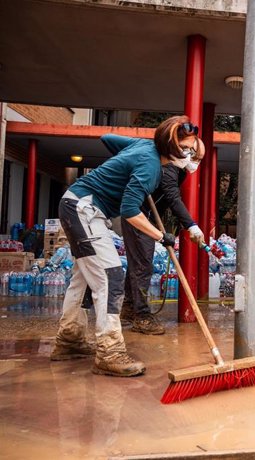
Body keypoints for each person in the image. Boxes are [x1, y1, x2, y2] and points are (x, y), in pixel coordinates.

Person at [50, 115, 199, 377]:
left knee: (83, 278)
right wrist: (159, 235)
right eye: (185, 149)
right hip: (83, 209)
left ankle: (69, 340)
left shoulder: (142, 147)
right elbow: (130, 211)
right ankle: (110, 352)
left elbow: (108, 139)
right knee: (111, 276)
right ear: (170, 146)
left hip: (77, 204)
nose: (189, 156)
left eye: (191, 150)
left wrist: (125, 160)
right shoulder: (150, 168)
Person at [113, 134, 206, 334]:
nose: (196, 163)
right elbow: (173, 198)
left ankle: (130, 307)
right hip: (138, 215)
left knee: (138, 263)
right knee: (143, 265)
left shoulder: (177, 170)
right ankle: (142, 316)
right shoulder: (170, 169)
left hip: (147, 216)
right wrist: (191, 225)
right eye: (195, 158)